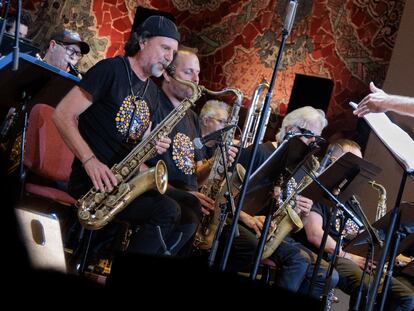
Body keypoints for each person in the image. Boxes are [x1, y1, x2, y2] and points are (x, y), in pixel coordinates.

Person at [52, 15, 190, 257]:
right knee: (167, 211)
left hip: (121, 180)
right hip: (91, 180)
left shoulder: (154, 94)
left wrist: (154, 145)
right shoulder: (111, 70)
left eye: (173, 52)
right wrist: (90, 161)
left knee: (186, 209)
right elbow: (62, 114)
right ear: (143, 41)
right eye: (165, 48)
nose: (170, 57)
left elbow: (140, 141)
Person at [220, 106, 338, 300]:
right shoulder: (260, 151)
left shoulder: (302, 167)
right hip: (243, 225)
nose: (312, 144)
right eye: (309, 136)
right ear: (291, 130)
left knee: (327, 275)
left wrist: (302, 212)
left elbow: (292, 220)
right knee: (298, 260)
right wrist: (246, 217)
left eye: (316, 139)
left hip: (273, 232)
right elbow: (224, 192)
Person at [296, 139, 414, 310]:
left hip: (351, 257)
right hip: (333, 257)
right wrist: (350, 256)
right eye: (356, 164)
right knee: (374, 289)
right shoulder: (318, 191)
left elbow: (360, 236)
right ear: (337, 162)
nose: (361, 171)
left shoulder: (351, 199)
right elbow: (314, 235)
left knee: (407, 297)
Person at [147, 49, 237, 255]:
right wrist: (184, 194)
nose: (196, 79)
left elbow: (196, 175)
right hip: (159, 190)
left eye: (197, 73)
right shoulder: (154, 103)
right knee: (187, 211)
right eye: (189, 72)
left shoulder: (191, 117)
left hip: (186, 196)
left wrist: (215, 162)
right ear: (167, 75)